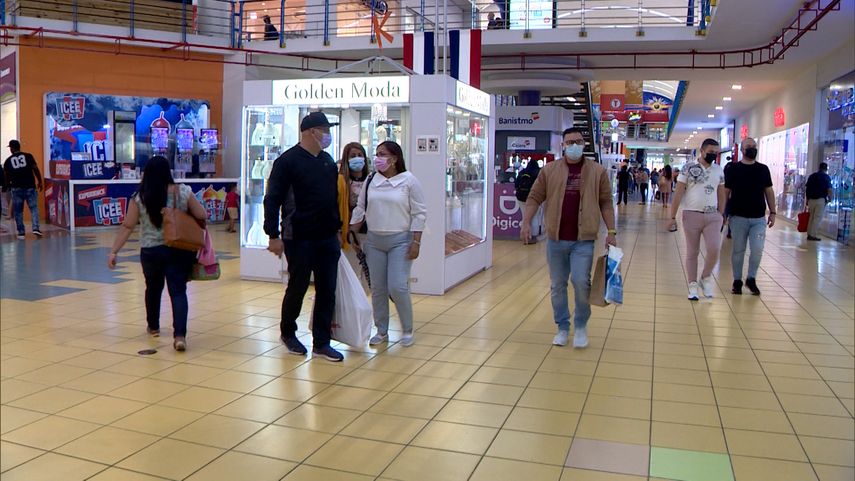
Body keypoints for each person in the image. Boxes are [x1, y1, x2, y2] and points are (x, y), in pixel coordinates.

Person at [522, 127, 617, 349]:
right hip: (555, 239)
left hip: (583, 239)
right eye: (570, 142)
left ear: (584, 144)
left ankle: (581, 325)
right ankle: (563, 327)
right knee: (557, 284)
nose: (574, 145)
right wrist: (526, 221)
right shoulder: (549, 171)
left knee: (581, 282)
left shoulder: (597, 171)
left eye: (578, 141)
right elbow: (535, 196)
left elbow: (605, 202)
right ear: (563, 145)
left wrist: (611, 232)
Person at [264, 112, 345, 362]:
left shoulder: (328, 161)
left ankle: (322, 342)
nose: (327, 134)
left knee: (327, 290)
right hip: (299, 236)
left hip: (327, 236)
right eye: (324, 129)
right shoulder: (287, 162)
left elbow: (333, 199)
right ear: (311, 131)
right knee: (297, 286)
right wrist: (273, 234)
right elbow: (272, 199)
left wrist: (338, 228)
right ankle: (288, 332)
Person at [107, 156, 207, 351]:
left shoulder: (140, 197)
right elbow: (202, 214)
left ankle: (153, 327)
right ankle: (179, 336)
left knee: (153, 289)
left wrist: (114, 251)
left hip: (150, 251)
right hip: (178, 249)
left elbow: (128, 226)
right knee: (177, 291)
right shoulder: (183, 192)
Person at [351, 141, 426, 347]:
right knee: (378, 288)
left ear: (394, 159)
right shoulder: (371, 179)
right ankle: (381, 330)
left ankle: (407, 328)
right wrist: (351, 232)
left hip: (400, 241)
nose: (378, 159)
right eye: (376, 154)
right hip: (374, 241)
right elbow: (360, 207)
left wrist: (416, 242)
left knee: (398, 286)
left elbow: (419, 213)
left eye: (382, 154)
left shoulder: (409, 181)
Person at [668, 139, 726, 300]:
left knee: (714, 249)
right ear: (702, 151)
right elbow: (678, 193)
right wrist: (672, 216)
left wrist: (721, 214)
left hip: (713, 216)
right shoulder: (688, 168)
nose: (713, 154)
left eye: (716, 151)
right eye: (711, 151)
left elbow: (721, 193)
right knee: (692, 251)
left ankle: (705, 277)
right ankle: (692, 284)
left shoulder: (719, 170)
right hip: (691, 214)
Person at [724, 138, 775, 296]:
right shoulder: (733, 168)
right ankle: (737, 280)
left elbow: (769, 191)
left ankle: (751, 278)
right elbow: (726, 191)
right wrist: (723, 213)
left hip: (758, 217)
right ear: (742, 150)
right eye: (748, 147)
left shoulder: (763, 169)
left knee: (757, 249)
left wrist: (773, 212)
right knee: (738, 250)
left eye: (754, 147)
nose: (752, 149)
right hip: (738, 216)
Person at [3, 140, 43, 240]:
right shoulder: (28, 156)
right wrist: (40, 181)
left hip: (16, 188)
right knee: (33, 208)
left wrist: (8, 187)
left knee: (18, 211)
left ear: (12, 148)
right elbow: (35, 168)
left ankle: (21, 232)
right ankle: (35, 227)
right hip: (30, 186)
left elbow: (6, 176)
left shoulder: (8, 161)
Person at [804, 162, 833, 241]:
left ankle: (809, 233)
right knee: (817, 218)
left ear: (819, 168)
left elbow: (807, 189)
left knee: (811, 217)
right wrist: (830, 198)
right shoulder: (826, 177)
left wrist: (807, 199)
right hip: (820, 200)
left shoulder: (812, 176)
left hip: (811, 200)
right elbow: (829, 189)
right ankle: (813, 235)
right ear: (826, 169)